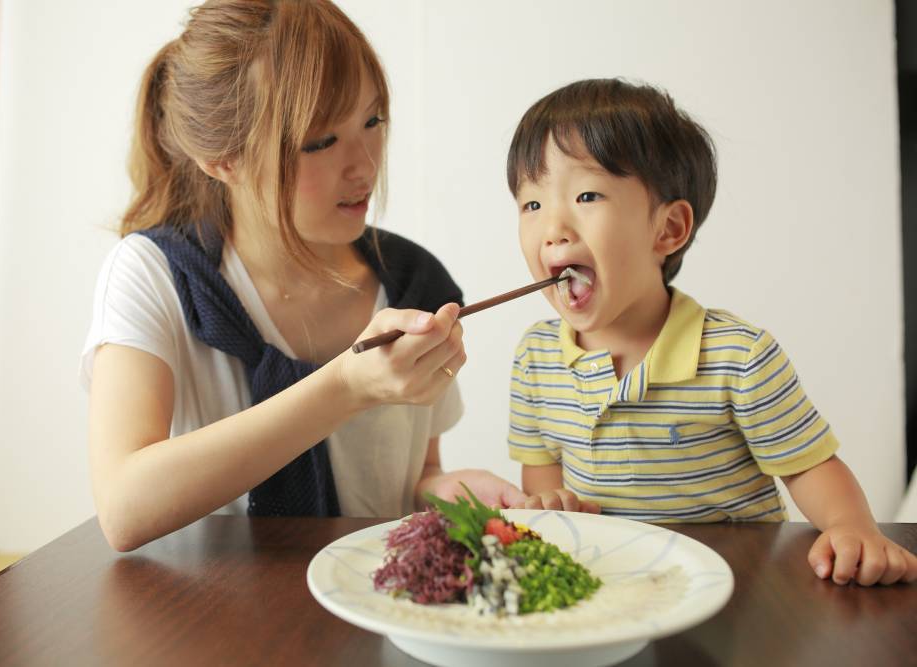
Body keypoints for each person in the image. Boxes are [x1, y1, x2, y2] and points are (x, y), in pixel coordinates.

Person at [81, 0, 524, 553]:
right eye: (321, 141)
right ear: (223, 159)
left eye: (372, 121)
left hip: (373, 610)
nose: (364, 164)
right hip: (198, 621)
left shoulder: (415, 285)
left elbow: (413, 478)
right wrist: (344, 387)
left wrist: (457, 493)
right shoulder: (156, 274)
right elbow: (124, 508)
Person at [504, 78, 917, 586]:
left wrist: (851, 527)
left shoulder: (737, 356)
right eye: (531, 204)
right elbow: (543, 470)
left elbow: (808, 468)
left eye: (587, 195)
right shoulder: (535, 356)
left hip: (734, 587)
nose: (554, 228)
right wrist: (549, 502)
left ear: (669, 229)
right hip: (608, 585)